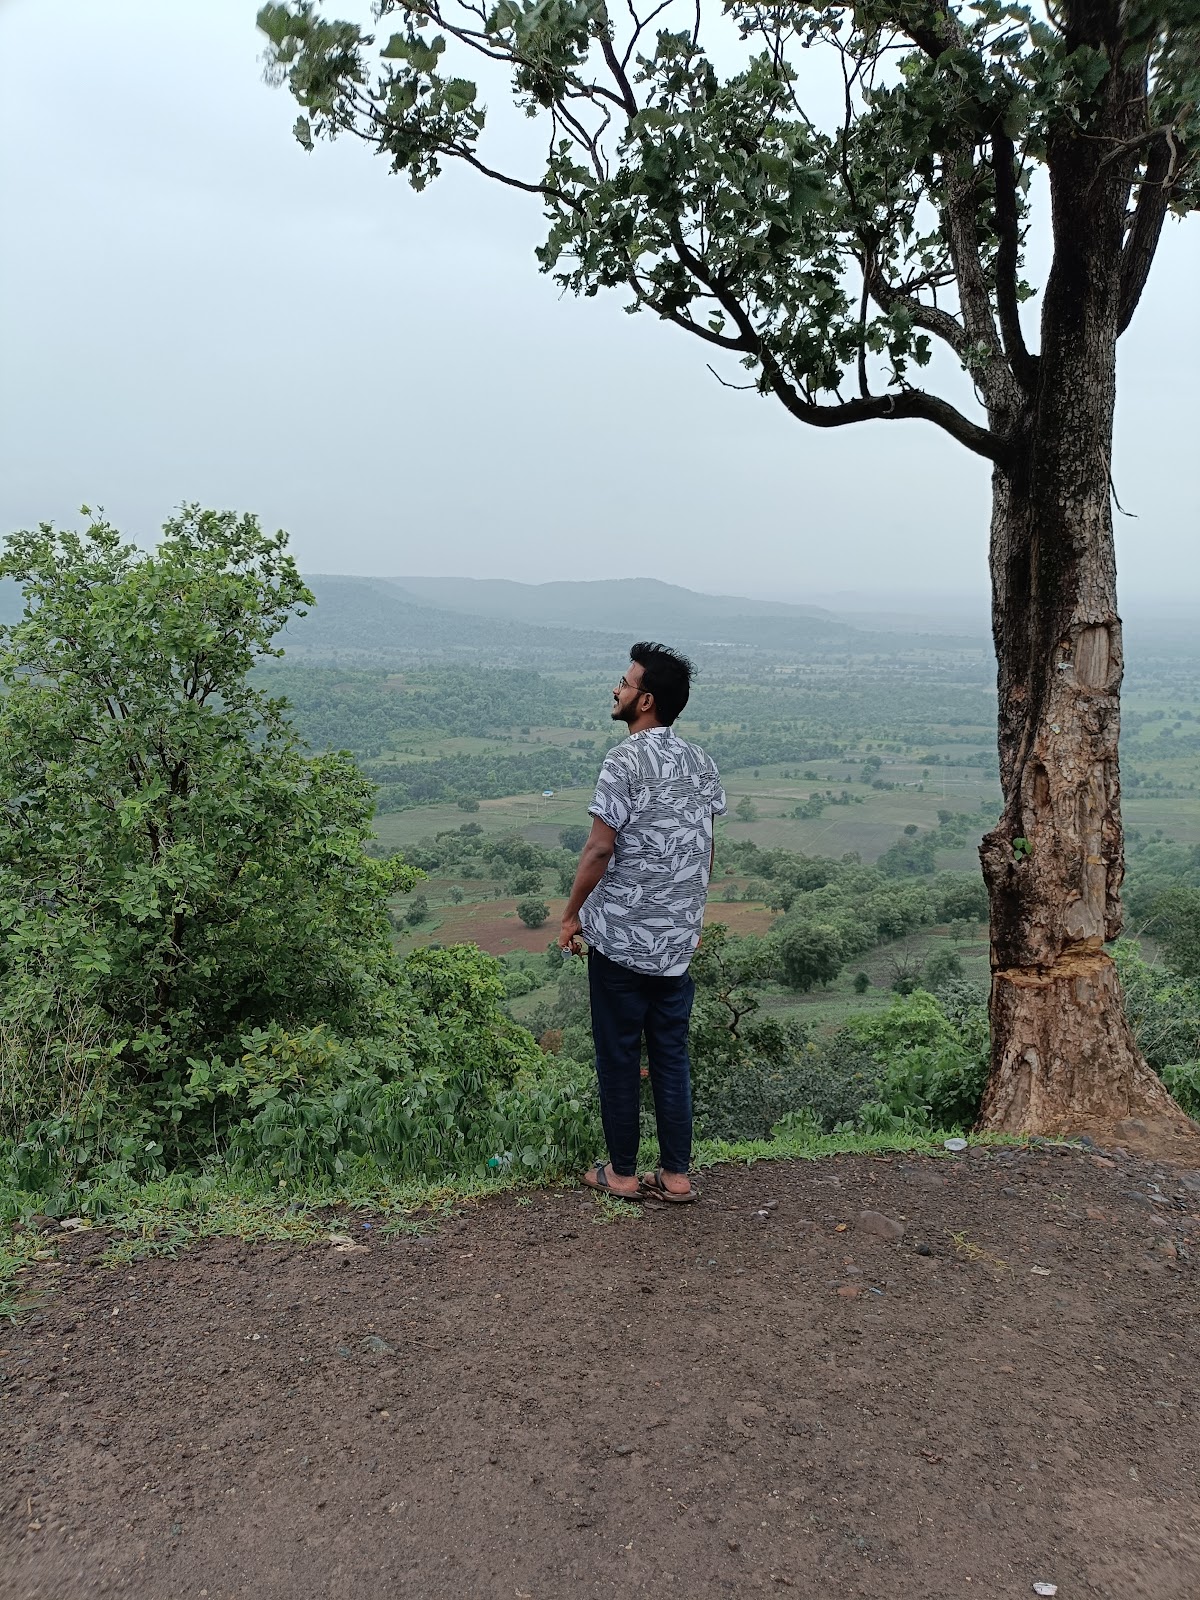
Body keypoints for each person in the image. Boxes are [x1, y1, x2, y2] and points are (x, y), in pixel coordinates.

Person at [558, 642, 726, 1204]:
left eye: (625, 684)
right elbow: (703, 848)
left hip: (622, 942)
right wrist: (688, 918)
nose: (617, 689)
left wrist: (570, 915)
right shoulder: (701, 761)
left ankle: (623, 1173)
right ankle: (676, 1176)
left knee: (620, 1054)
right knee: (672, 1054)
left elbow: (599, 850)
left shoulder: (622, 761)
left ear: (645, 700)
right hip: (676, 944)